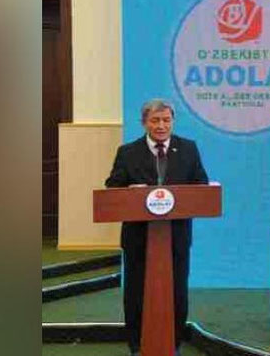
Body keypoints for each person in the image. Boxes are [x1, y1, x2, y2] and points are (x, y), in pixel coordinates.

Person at [105, 99, 208, 356]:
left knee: (177, 290)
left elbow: (202, 186)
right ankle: (137, 344)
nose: (161, 126)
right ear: (144, 123)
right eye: (155, 120)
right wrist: (130, 191)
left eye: (166, 120)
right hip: (138, 237)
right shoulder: (128, 152)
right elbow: (112, 188)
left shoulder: (188, 149)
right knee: (136, 291)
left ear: (172, 121)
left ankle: (173, 343)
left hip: (176, 236)